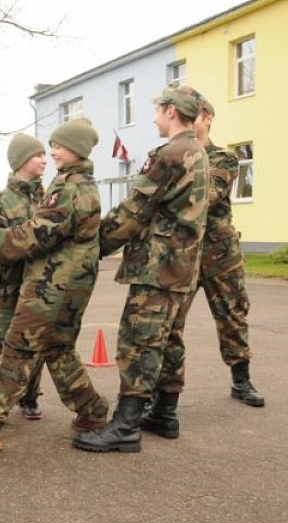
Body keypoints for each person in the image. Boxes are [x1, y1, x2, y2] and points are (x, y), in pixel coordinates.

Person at [0, 118, 109, 451]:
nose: (51, 153)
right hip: (70, 285)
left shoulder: (68, 188)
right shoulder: (82, 184)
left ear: (76, 149)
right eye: (46, 148)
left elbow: (33, 235)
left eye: (58, 146)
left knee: (17, 351)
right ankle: (91, 410)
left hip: (51, 287)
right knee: (59, 349)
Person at [72, 84, 209, 454]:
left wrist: (95, 243)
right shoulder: (199, 152)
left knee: (139, 340)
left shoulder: (171, 153)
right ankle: (164, 413)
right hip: (183, 266)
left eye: (158, 110)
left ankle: (125, 426)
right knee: (169, 338)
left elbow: (136, 209)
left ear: (171, 111)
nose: (154, 117)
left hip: (159, 266)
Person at [141, 98, 263, 440]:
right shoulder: (167, 153)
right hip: (183, 251)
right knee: (170, 321)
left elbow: (205, 196)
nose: (191, 120)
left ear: (207, 119)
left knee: (232, 314)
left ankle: (241, 380)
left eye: (198, 116)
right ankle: (160, 394)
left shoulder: (224, 158)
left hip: (219, 252)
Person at [0, 133, 48, 421]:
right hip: (8, 285)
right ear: (21, 161)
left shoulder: (49, 199)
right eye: (38, 155)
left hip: (40, 286)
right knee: (4, 345)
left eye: (46, 154)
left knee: (37, 343)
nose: (44, 160)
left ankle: (29, 395)